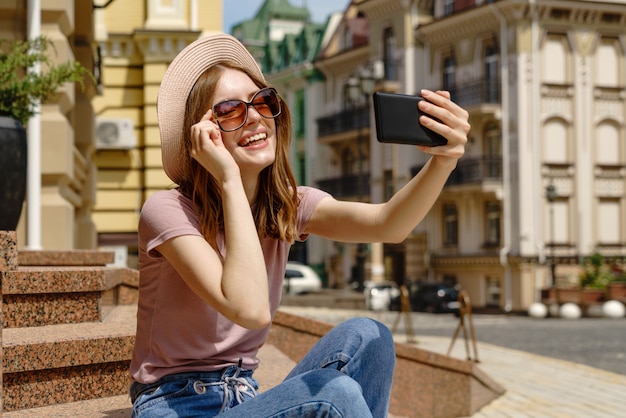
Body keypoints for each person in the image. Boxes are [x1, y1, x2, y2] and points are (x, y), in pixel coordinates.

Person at [129, 33, 469, 418]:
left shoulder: (286, 205)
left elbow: (387, 225)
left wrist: (444, 161)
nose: (255, 117)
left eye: (263, 101)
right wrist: (226, 178)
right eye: (229, 111)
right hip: (176, 405)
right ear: (201, 134)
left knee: (368, 336)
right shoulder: (168, 210)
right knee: (335, 394)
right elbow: (251, 309)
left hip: (244, 399)